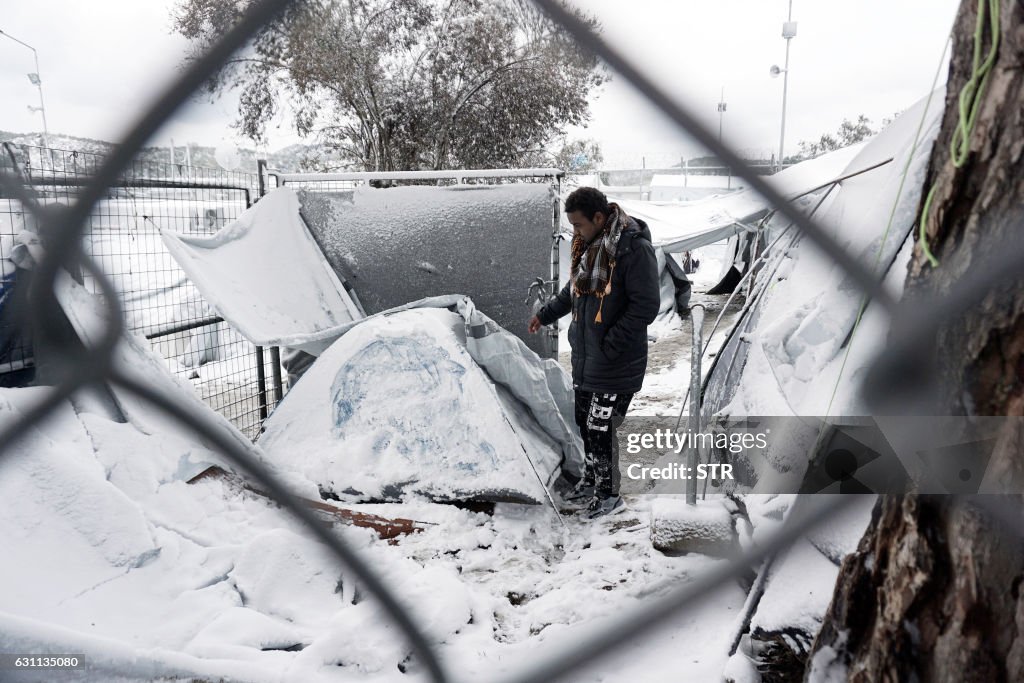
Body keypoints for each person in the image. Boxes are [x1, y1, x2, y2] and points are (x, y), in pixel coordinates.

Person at [528, 187, 660, 518]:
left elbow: (646, 306)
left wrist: (611, 342)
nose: (575, 232)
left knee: (601, 429)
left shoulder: (633, 250)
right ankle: (591, 480)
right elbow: (574, 291)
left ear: (599, 218)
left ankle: (609, 495)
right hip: (589, 361)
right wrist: (545, 314)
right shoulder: (590, 248)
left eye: (579, 225)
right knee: (584, 423)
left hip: (616, 362)